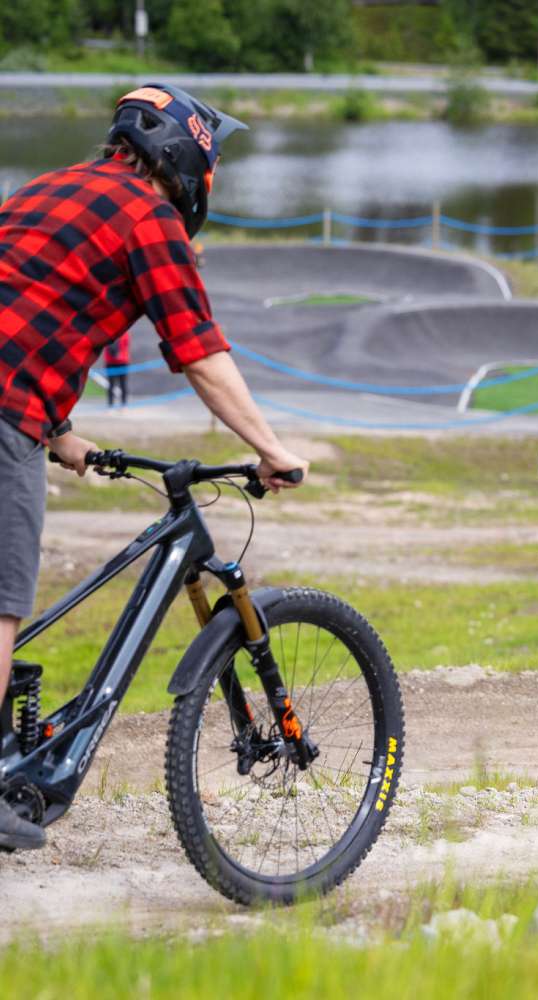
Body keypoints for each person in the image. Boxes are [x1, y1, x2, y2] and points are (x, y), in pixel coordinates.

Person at [0, 83, 309, 851]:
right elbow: (199, 353)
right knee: (0, 605)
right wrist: (270, 448)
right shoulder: (149, 217)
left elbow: (23, 301)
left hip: (22, 409)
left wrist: (61, 432)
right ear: (187, 155)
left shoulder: (47, 188)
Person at [104, 330, 131, 408]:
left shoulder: (124, 334)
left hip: (120, 361)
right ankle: (112, 404)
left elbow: (126, 344)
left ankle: (122, 404)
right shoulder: (110, 332)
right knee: (113, 384)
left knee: (121, 384)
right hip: (113, 362)